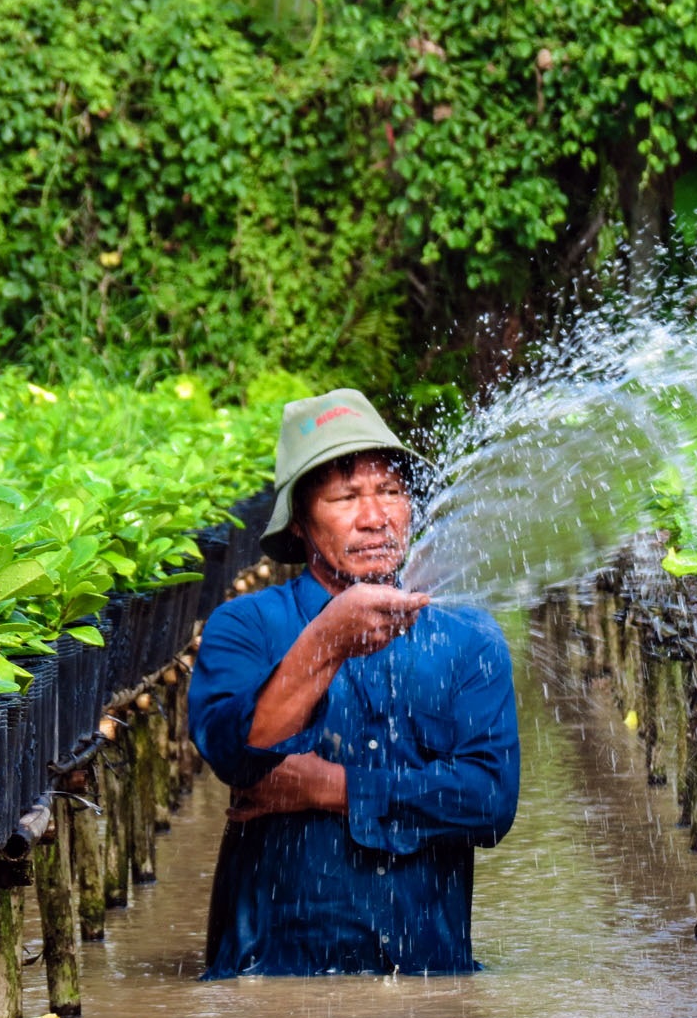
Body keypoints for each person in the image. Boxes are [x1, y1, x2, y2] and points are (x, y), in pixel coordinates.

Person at [189, 389, 519, 977]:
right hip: (266, 983)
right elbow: (235, 753)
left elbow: (488, 802)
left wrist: (333, 787)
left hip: (427, 980)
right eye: (345, 497)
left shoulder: (469, 637)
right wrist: (326, 641)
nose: (375, 517)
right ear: (299, 520)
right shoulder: (245, 626)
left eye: (390, 491)